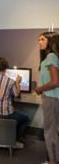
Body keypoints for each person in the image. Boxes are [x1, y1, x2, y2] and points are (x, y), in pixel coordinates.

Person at [0, 57, 30, 148]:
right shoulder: (10, 81)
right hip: (5, 113)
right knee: (26, 119)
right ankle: (13, 141)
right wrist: (17, 82)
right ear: (5, 68)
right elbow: (17, 95)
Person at [36, 32, 59, 164]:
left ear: (51, 41)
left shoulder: (51, 56)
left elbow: (55, 81)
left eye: (42, 39)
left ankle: (53, 162)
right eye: (39, 40)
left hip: (51, 98)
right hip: (51, 98)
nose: (39, 42)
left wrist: (39, 88)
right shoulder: (52, 56)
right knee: (52, 131)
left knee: (50, 132)